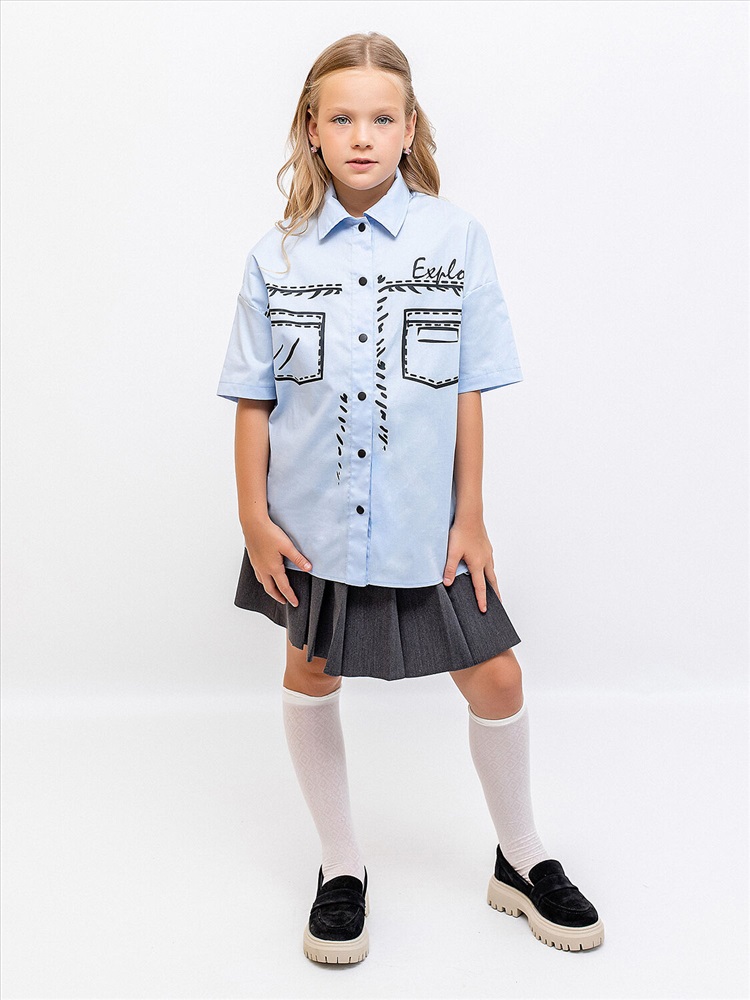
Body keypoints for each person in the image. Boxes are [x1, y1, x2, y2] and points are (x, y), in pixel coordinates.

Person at [216, 31, 604, 965]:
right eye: (342, 118)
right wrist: (254, 519)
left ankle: (521, 857)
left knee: (497, 676)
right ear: (312, 129)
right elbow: (255, 400)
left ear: (409, 127)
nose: (362, 136)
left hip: (426, 528)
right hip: (310, 527)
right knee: (311, 673)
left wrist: (471, 517)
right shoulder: (276, 257)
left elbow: (468, 388)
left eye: (381, 118)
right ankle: (340, 866)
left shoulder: (454, 238)